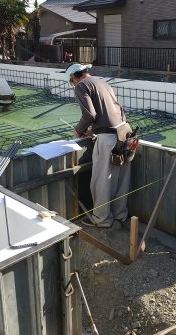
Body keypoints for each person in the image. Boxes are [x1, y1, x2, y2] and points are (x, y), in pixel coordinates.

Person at [66, 63, 131, 228]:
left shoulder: (81, 86)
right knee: (120, 179)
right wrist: (95, 130)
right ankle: (120, 214)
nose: (72, 83)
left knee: (101, 181)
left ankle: (102, 219)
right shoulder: (102, 82)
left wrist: (78, 130)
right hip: (125, 133)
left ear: (73, 77)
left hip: (108, 137)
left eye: (71, 80)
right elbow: (114, 110)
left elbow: (90, 114)